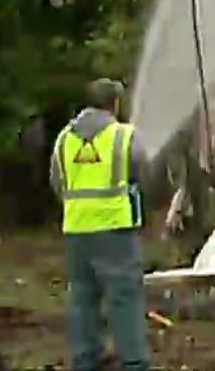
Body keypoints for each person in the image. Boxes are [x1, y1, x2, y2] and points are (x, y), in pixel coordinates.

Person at [49, 78, 151, 371]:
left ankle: (85, 360)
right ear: (114, 104)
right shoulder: (124, 136)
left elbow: (57, 182)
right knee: (124, 297)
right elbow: (144, 174)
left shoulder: (63, 139)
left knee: (82, 296)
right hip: (116, 228)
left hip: (76, 229)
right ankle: (133, 362)